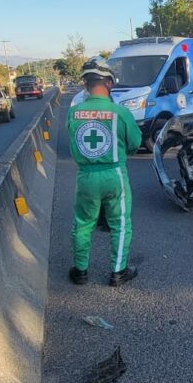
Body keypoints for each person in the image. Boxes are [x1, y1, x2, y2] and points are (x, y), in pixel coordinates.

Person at [67, 58, 142, 287]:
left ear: (86, 84)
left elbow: (73, 147)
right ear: (109, 83)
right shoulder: (120, 112)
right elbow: (135, 143)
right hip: (115, 176)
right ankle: (118, 272)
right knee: (120, 224)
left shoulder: (74, 112)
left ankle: (80, 271)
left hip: (86, 177)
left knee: (82, 224)